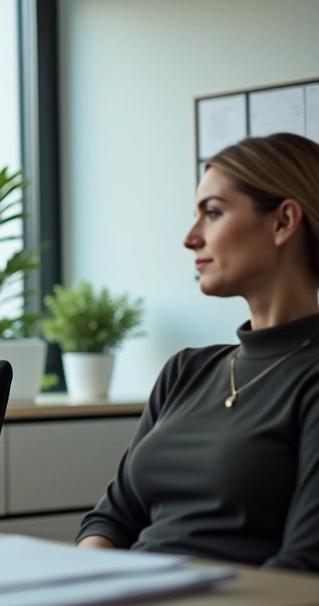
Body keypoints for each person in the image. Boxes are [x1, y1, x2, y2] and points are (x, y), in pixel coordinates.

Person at [77, 132, 319, 571]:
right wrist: (81, 586)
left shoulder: (311, 378)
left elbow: (303, 568)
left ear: (284, 222)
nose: (190, 238)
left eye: (212, 213)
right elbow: (111, 520)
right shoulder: (187, 371)